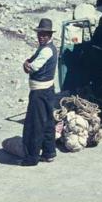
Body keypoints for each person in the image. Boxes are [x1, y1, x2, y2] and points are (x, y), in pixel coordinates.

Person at [21, 18, 58, 166]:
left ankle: (32, 157)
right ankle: (49, 152)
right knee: (48, 122)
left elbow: (31, 67)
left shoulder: (46, 50)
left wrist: (26, 65)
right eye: (40, 34)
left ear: (49, 35)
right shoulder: (46, 48)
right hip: (47, 90)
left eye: (44, 34)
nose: (41, 36)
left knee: (35, 124)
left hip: (40, 91)